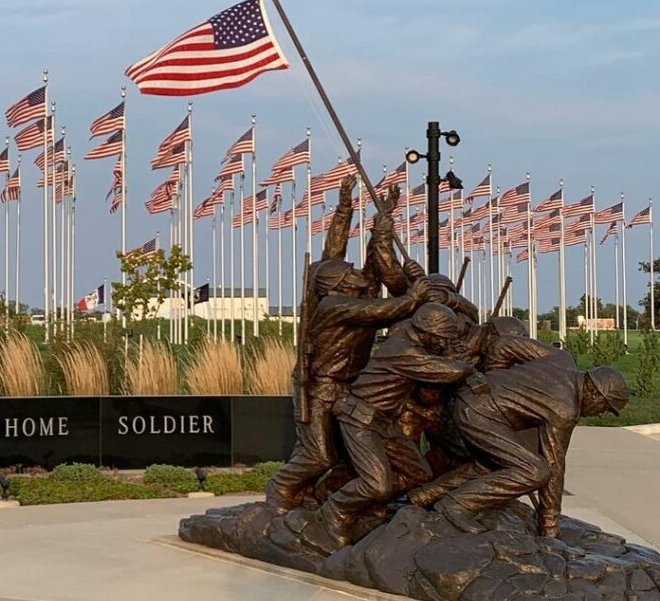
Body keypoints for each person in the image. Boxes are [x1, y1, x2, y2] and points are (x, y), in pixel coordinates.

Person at [266, 177, 437, 513]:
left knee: (350, 453)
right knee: (319, 454)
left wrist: (376, 223)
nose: (358, 272)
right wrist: (416, 295)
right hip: (322, 388)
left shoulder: (350, 293)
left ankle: (334, 498)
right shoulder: (336, 306)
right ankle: (281, 490)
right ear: (341, 284)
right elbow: (384, 310)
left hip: (348, 389)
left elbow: (357, 259)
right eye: (349, 272)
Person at [314, 302, 480, 548]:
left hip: (384, 423)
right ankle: (333, 513)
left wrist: (458, 362)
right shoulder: (403, 350)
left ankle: (371, 508)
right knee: (377, 485)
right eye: (440, 338)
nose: (442, 344)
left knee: (419, 473)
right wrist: (467, 365)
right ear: (426, 332)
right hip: (360, 419)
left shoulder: (413, 347)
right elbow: (444, 371)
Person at [437, 357, 629, 537]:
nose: (602, 415)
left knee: (502, 462)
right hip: (479, 413)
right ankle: (456, 504)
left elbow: (506, 345)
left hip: (475, 402)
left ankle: (423, 495)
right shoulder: (565, 410)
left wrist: (491, 378)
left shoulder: (562, 359)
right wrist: (550, 527)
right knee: (535, 471)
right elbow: (554, 466)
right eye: (606, 407)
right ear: (595, 393)